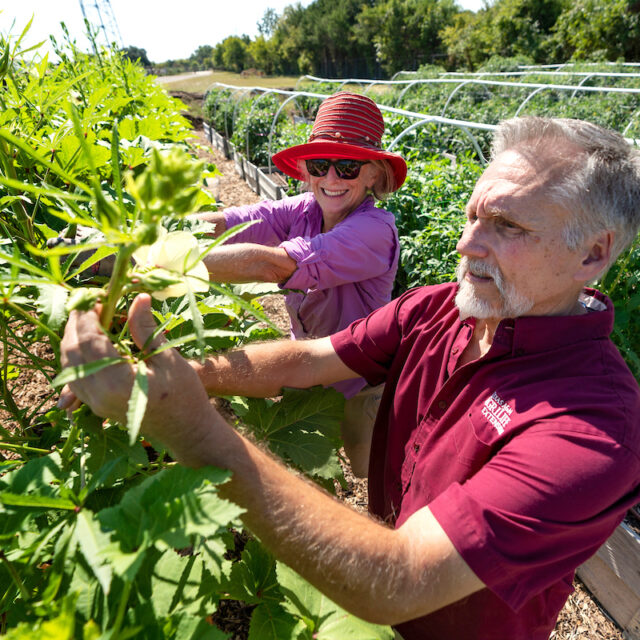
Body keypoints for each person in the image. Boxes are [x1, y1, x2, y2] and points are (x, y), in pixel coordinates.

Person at [59, 115, 640, 640]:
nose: (465, 244)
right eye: (472, 216)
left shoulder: (595, 426)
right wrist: (183, 373)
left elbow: (400, 577)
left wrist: (187, 425)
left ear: (593, 254)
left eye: (508, 225)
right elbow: (310, 358)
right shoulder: (438, 307)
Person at [199, 90, 407, 476]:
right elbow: (238, 220)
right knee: (303, 464)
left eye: (347, 166)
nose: (330, 178)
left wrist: (165, 264)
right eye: (319, 163)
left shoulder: (375, 230)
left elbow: (275, 266)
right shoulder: (303, 209)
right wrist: (165, 232)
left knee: (372, 471)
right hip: (307, 365)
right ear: (306, 169)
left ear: (375, 174)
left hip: (358, 377)